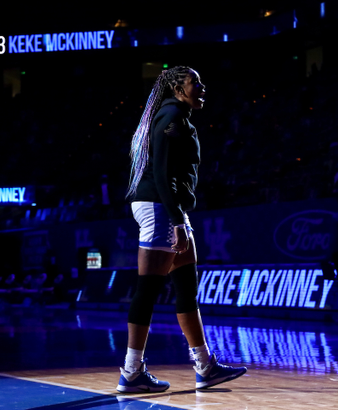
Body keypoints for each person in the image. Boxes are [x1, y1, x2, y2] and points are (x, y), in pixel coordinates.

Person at [117, 66, 246, 393]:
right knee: (148, 289)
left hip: (168, 206)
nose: (202, 87)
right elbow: (161, 173)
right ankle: (132, 371)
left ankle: (205, 366)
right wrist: (176, 221)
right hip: (161, 207)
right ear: (177, 87)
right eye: (195, 82)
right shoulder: (171, 116)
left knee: (187, 287)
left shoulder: (175, 116)